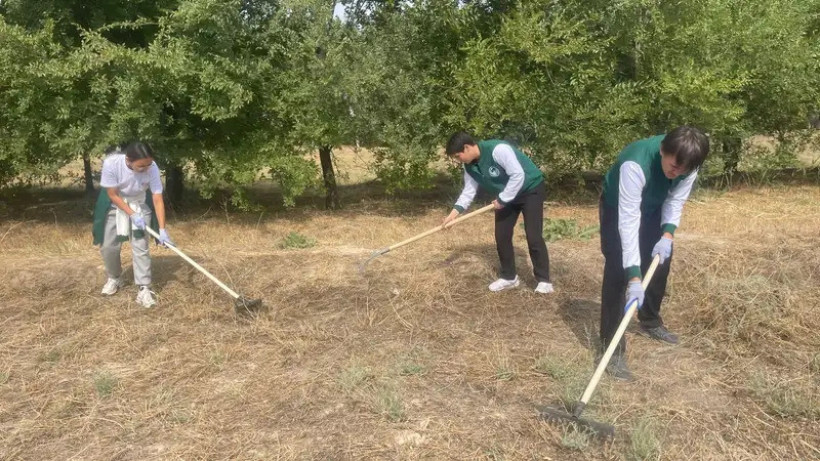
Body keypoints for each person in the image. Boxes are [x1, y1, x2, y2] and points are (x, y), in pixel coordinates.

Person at [599, 126, 709, 380]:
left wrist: (667, 235)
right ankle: (611, 347)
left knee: (659, 261)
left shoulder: (689, 163)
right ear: (662, 150)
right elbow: (628, 222)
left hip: (654, 206)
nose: (677, 172)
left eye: (683, 169)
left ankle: (650, 320)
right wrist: (634, 277)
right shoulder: (635, 164)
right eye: (673, 166)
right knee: (618, 271)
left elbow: (675, 201)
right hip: (619, 207)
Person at [443, 131, 553, 293]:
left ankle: (544, 281)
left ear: (466, 148)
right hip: (505, 196)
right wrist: (453, 214)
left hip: (530, 190)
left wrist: (503, 199)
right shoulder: (469, 166)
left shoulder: (498, 150)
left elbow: (518, 175)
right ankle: (509, 277)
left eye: (458, 156)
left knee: (533, 235)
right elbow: (468, 191)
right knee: (501, 235)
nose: (458, 161)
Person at [92, 141, 174, 308]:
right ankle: (115, 277)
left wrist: (163, 229)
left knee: (140, 246)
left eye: (149, 164)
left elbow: (157, 198)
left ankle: (144, 288)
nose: (146, 168)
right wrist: (131, 214)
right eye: (141, 166)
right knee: (108, 246)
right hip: (115, 205)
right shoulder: (112, 164)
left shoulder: (152, 167)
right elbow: (112, 194)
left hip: (140, 204)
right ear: (128, 160)